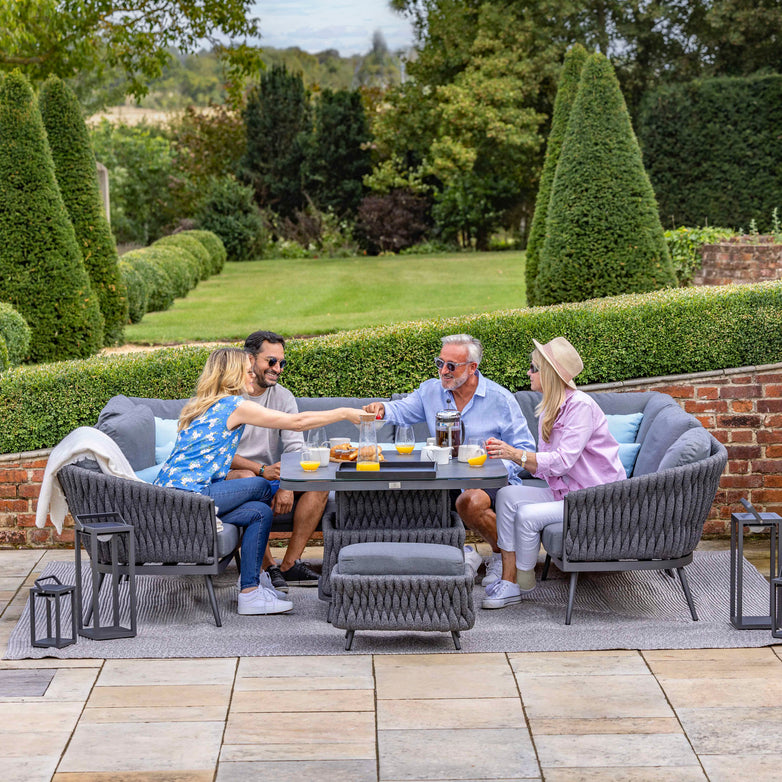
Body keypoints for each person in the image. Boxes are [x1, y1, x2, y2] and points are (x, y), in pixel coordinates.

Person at [154, 347, 363, 615]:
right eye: (247, 370)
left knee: (259, 512)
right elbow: (297, 423)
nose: (252, 374)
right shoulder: (234, 405)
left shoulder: (201, 405)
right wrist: (344, 412)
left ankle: (250, 591)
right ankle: (260, 572)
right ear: (232, 373)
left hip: (175, 496)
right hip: (186, 498)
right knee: (261, 485)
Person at [363, 334, 535, 584]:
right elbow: (402, 409)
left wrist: (492, 469)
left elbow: (524, 448)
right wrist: (382, 408)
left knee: (471, 500)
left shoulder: (501, 400)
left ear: (472, 368)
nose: (443, 371)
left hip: (491, 479)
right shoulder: (431, 390)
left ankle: (501, 556)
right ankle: (460, 555)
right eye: (439, 363)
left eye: (451, 366)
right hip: (445, 478)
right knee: (404, 494)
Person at [482, 336, 626, 609]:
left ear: (549, 374)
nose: (529, 372)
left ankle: (520, 582)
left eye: (534, 368)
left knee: (525, 514)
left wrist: (515, 454)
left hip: (594, 497)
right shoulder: (551, 407)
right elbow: (548, 468)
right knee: (507, 495)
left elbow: (562, 463)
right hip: (568, 492)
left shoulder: (580, 406)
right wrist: (513, 457)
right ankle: (510, 578)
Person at [227, 330, 328, 593]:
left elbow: (296, 446)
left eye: (282, 363)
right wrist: (260, 470)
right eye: (271, 361)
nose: (277, 369)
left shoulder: (283, 397)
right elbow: (219, 455)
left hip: (273, 475)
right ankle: (268, 567)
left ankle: (289, 565)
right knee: (248, 482)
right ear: (249, 359)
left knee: (320, 484)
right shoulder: (228, 395)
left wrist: (287, 485)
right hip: (239, 475)